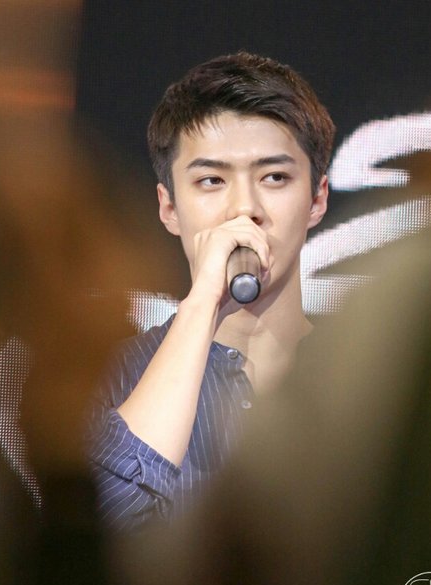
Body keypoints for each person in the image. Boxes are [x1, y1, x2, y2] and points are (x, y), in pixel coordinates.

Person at [89, 51, 335, 531]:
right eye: (211, 180)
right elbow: (113, 518)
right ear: (169, 208)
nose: (244, 208)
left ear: (317, 199)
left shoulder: (367, 364)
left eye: (275, 177)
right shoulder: (106, 375)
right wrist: (203, 303)